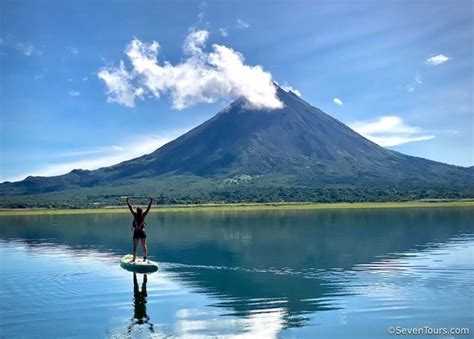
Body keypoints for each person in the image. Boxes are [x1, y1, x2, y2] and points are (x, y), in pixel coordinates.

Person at [126, 197, 153, 262]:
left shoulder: (135, 215)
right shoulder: (143, 215)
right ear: (141, 211)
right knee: (144, 246)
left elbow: (130, 208)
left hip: (136, 232)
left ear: (137, 211)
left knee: (135, 247)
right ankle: (145, 258)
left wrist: (127, 201)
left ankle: (134, 259)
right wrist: (151, 201)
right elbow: (148, 209)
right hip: (142, 232)